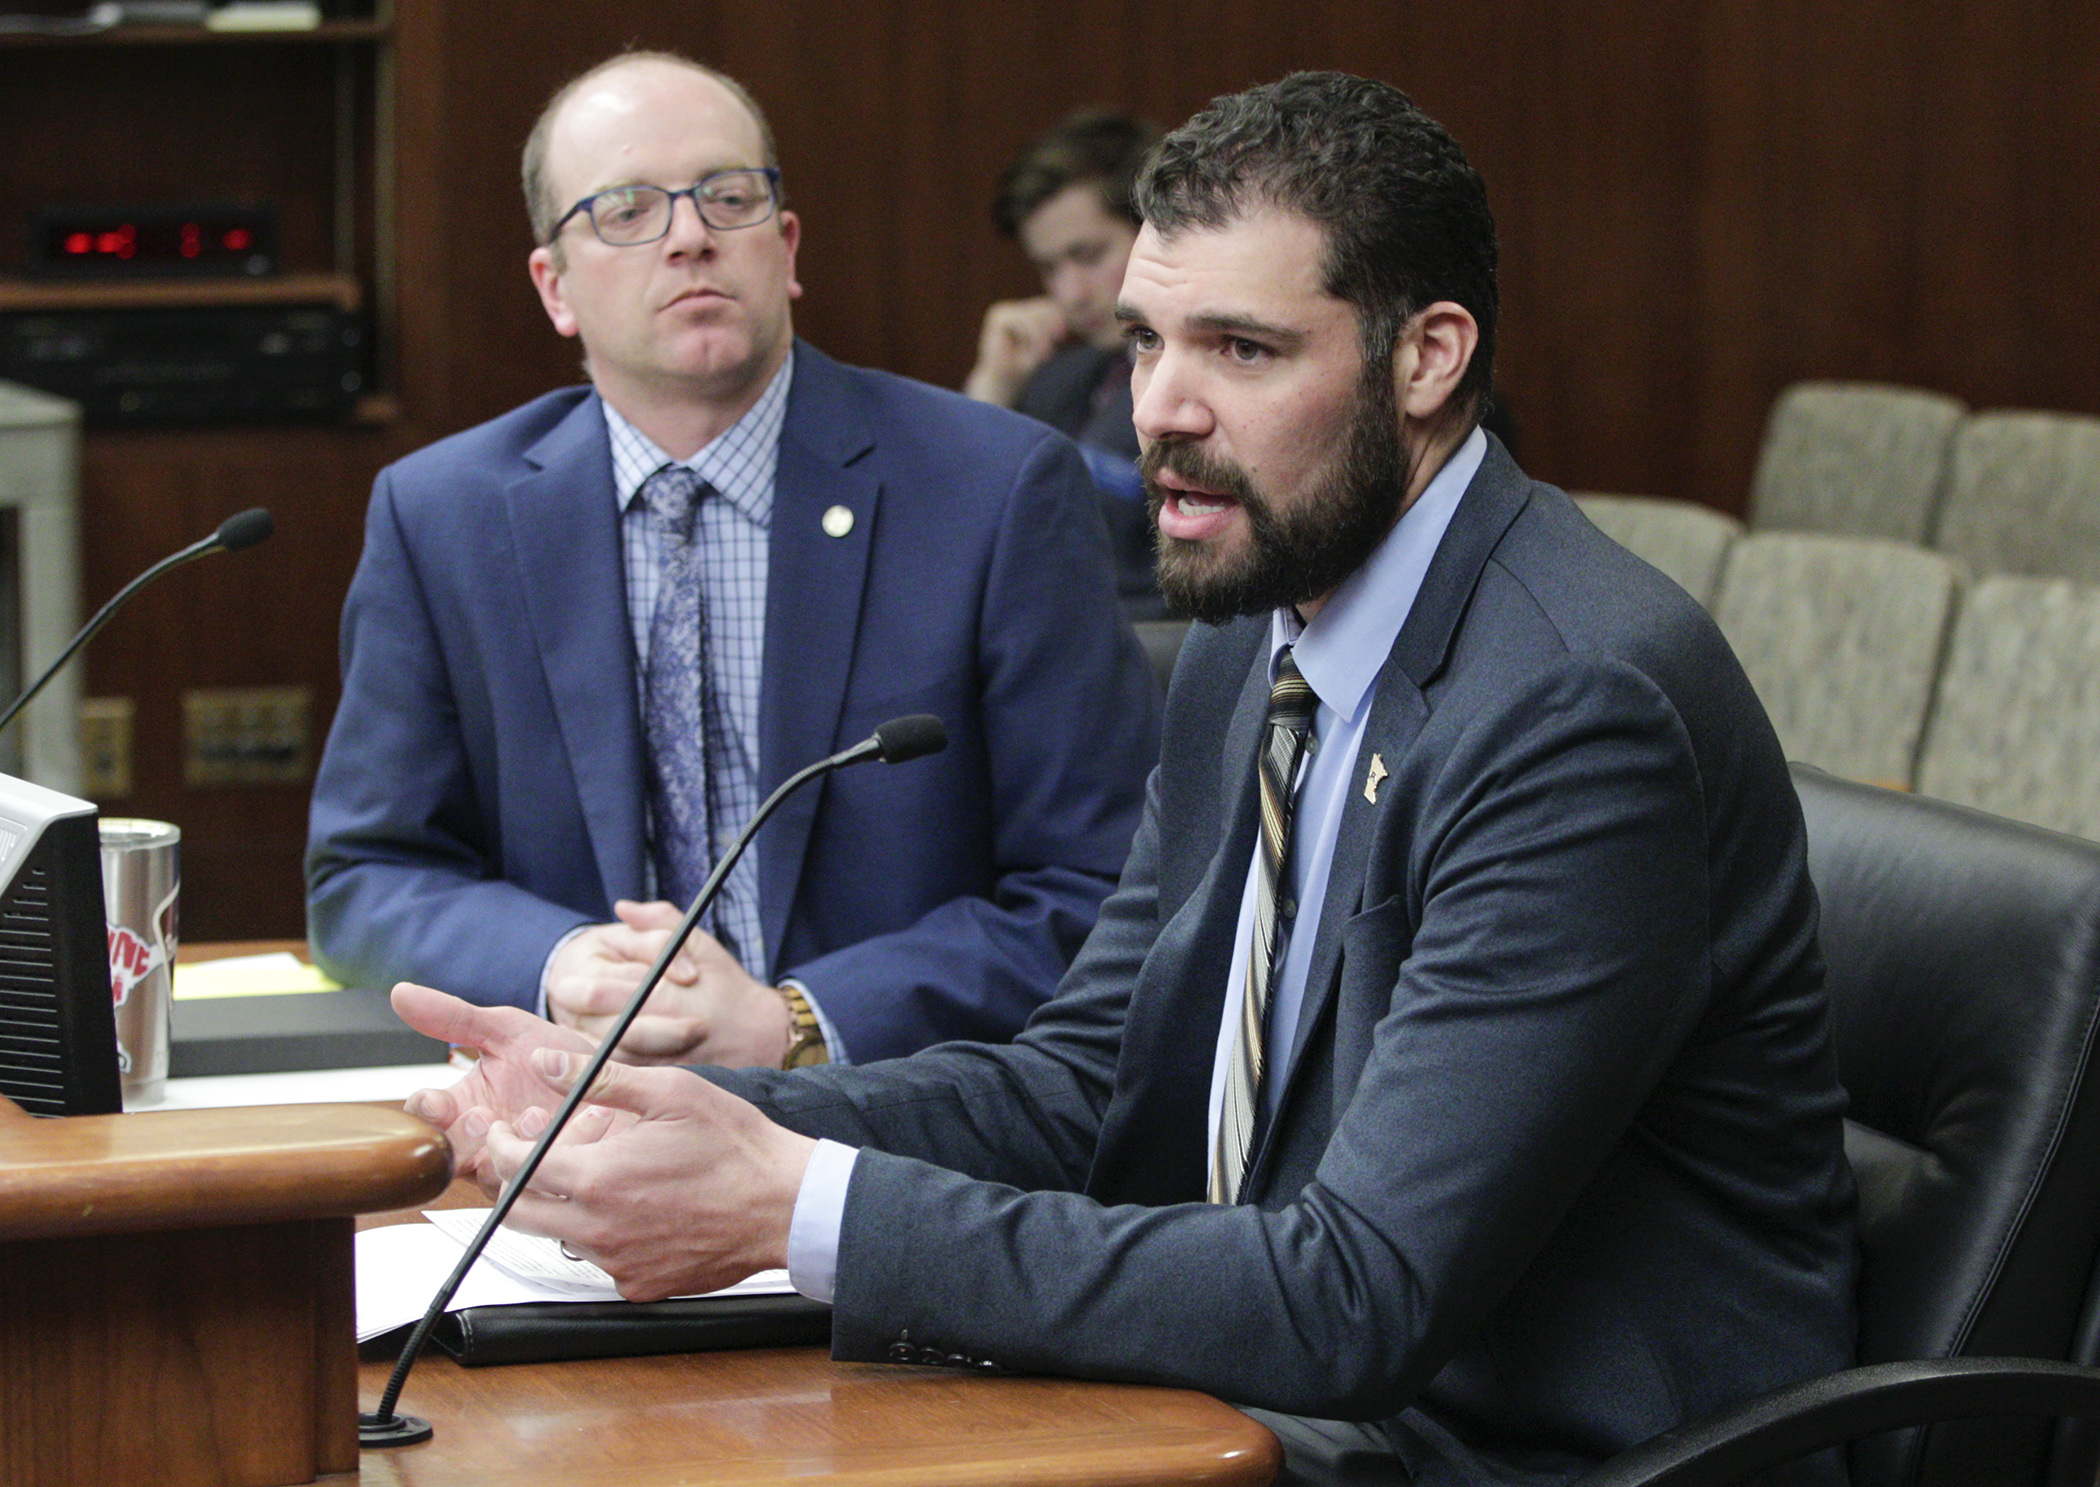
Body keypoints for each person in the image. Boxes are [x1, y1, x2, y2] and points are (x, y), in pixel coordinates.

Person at [396, 72, 1858, 1485]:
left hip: (1522, 1450)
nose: (1160, 408)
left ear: (1428, 357)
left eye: (1242, 349)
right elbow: (1083, 1083)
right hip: (1280, 1408)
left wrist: (793, 1201)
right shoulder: (1254, 637)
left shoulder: (1570, 709)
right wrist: (673, 1113)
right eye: (1147, 343)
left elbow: (1356, 1290)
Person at [306, 52, 1159, 1070]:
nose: (690, 237)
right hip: (573, 1120)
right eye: (626, 209)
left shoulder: (993, 487)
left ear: (786, 247)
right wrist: (559, 959)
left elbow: (1103, 887)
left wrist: (796, 1021)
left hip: (889, 1137)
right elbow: (365, 876)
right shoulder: (444, 515)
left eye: (728, 196)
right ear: (555, 286)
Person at [964, 111, 1166, 618]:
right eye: (1050, 267)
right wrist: (993, 388)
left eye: (1090, 255)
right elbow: (960, 533)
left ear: (1156, 230)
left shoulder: (1213, 375)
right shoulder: (1056, 379)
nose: (1070, 294)